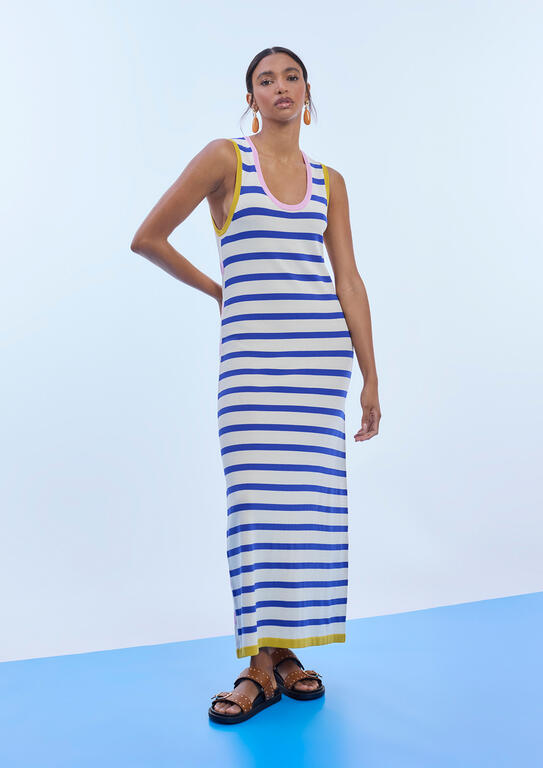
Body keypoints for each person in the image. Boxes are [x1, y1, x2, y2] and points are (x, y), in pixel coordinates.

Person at [131, 45, 381, 724]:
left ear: (307, 92)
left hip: (318, 365)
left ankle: (282, 656)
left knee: (305, 514)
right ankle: (256, 665)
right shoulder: (225, 159)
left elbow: (348, 278)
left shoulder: (329, 181)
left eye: (290, 77)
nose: (279, 87)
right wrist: (219, 290)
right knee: (255, 511)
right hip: (251, 366)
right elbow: (148, 237)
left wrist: (370, 375)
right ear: (251, 99)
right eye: (265, 80)